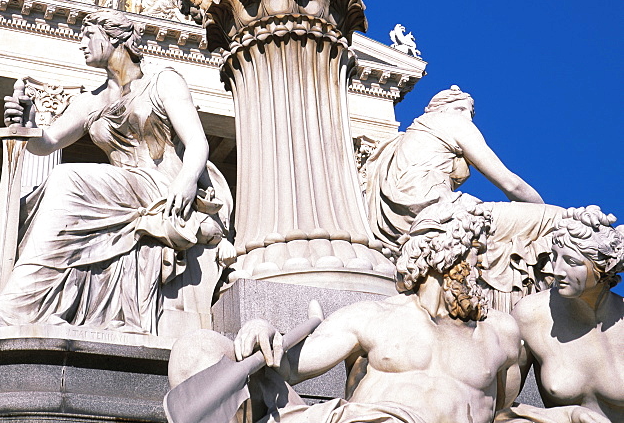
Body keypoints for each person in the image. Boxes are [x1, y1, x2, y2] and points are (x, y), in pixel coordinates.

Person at [0, 11, 233, 341]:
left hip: (161, 186)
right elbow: (48, 142)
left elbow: (197, 142)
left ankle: (16, 307)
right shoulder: (91, 101)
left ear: (113, 37)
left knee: (65, 178)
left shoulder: (163, 82)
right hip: (120, 189)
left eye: (88, 36)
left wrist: (186, 183)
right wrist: (28, 124)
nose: (81, 44)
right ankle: (25, 298)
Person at [168, 196, 523, 423]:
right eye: (474, 252)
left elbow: (502, 410)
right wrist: (263, 328)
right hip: (359, 420)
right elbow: (287, 368)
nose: (482, 265)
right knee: (197, 349)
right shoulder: (374, 317)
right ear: (442, 254)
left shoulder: (500, 334)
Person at [365, 85, 561, 308]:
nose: (467, 117)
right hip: (439, 213)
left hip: (401, 223)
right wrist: (540, 211)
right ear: (439, 109)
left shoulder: (407, 136)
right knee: (557, 221)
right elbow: (509, 183)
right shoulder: (451, 122)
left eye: (470, 113)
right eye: (460, 109)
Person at [498, 206, 624, 423]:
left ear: (603, 268)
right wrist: (566, 414)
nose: (556, 270)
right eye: (554, 256)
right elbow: (496, 409)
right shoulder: (532, 314)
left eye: (571, 262)